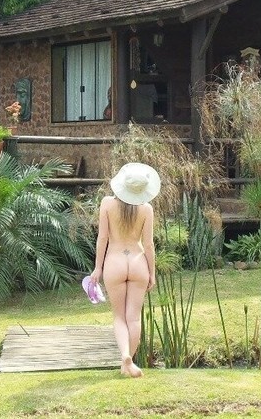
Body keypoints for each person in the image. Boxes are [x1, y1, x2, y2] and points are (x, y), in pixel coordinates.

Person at [89, 162, 160, 378]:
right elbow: (148, 245)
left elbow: (102, 238)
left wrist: (97, 268)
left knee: (119, 316)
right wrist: (152, 272)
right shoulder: (146, 209)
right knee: (134, 318)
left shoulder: (107, 204)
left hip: (115, 261)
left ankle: (125, 356)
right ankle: (128, 362)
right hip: (138, 262)